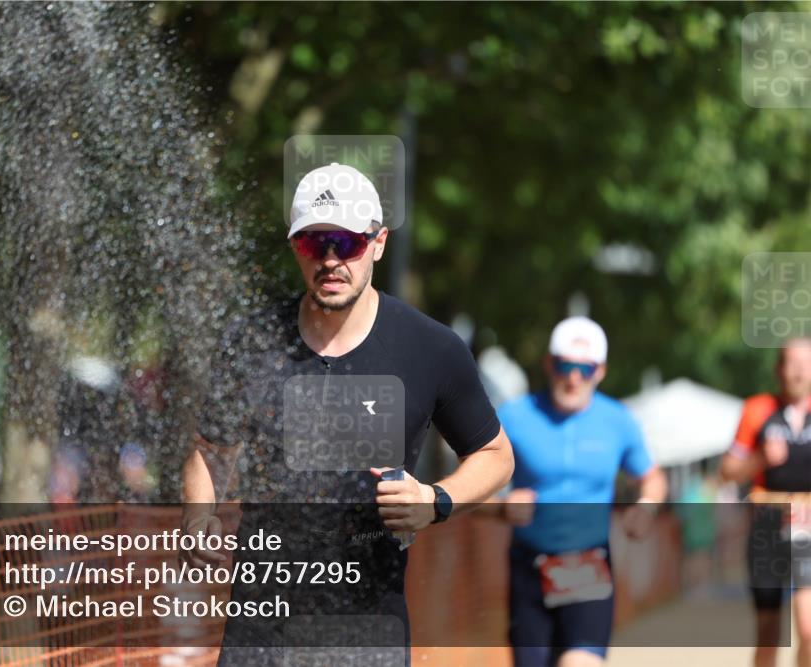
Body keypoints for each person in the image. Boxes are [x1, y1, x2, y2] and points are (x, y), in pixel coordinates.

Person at [180, 162, 514, 666]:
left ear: (378, 242)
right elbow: (211, 451)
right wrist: (198, 515)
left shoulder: (430, 348)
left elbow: (495, 455)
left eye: (348, 243)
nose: (331, 259)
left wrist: (434, 500)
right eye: (315, 244)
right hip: (260, 629)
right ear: (296, 247)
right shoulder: (251, 341)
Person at [495, 316, 667, 667]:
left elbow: (652, 477)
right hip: (529, 566)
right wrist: (499, 506)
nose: (573, 378)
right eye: (565, 365)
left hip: (589, 566)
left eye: (584, 369)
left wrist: (646, 507)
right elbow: (471, 480)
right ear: (548, 364)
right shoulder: (514, 417)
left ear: (600, 371)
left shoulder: (617, 420)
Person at [720, 337, 811, 667]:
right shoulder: (757, 410)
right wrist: (759, 457)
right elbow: (727, 470)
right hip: (767, 529)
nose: (800, 372)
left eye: (806, 363)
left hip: (808, 528)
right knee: (769, 634)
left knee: (809, 627)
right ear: (778, 370)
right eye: (792, 363)